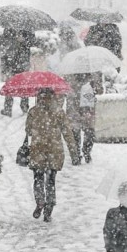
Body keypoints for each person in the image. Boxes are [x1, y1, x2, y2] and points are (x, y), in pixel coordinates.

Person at [25, 88, 79, 222]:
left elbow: (28, 131)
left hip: (38, 150)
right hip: (54, 152)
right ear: (53, 97)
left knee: (38, 178)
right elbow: (67, 133)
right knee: (50, 181)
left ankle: (40, 202)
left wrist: (36, 120)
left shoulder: (33, 111)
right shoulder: (59, 112)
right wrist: (74, 153)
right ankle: (49, 208)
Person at [65, 73, 103, 164]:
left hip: (88, 109)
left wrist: (94, 87)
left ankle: (86, 151)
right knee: (75, 132)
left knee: (90, 132)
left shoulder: (95, 74)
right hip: (74, 107)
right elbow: (64, 89)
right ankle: (76, 155)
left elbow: (100, 90)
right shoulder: (70, 74)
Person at [0, 28, 36, 117]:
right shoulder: (9, 28)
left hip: (22, 64)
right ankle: (8, 109)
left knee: (23, 87)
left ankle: (24, 107)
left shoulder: (28, 30)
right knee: (10, 87)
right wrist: (14, 39)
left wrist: (24, 40)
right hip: (12, 64)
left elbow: (32, 42)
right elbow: (5, 41)